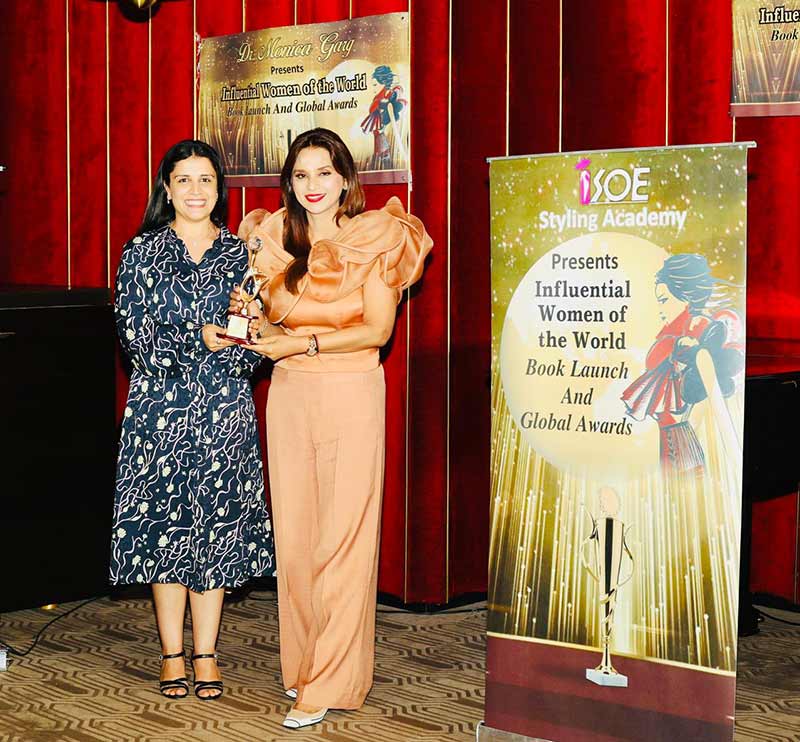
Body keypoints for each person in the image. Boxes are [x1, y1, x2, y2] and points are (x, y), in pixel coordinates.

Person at [234, 127, 432, 728]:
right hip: (289, 396)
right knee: (296, 541)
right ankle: (304, 665)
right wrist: (251, 323)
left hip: (351, 392)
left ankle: (329, 682)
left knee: (342, 542)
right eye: (301, 175)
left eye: (324, 173)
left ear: (345, 179)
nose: (312, 185)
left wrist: (303, 343)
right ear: (289, 183)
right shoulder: (271, 241)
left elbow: (378, 330)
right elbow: (266, 322)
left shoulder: (375, 238)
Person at [110, 140, 274, 701]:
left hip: (224, 411)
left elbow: (252, 354)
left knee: (216, 533)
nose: (195, 190)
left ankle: (206, 653)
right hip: (159, 413)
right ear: (167, 187)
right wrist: (197, 337)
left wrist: (249, 331)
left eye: (206, 179)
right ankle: (171, 654)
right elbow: (135, 341)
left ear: (219, 188)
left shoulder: (240, 254)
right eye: (184, 179)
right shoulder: (142, 252)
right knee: (166, 530)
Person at [621, 253, 744, 473]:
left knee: (685, 475)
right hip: (673, 437)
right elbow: (653, 359)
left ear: (686, 298)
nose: (659, 310)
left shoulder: (697, 329)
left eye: (663, 300)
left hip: (684, 437)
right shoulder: (674, 335)